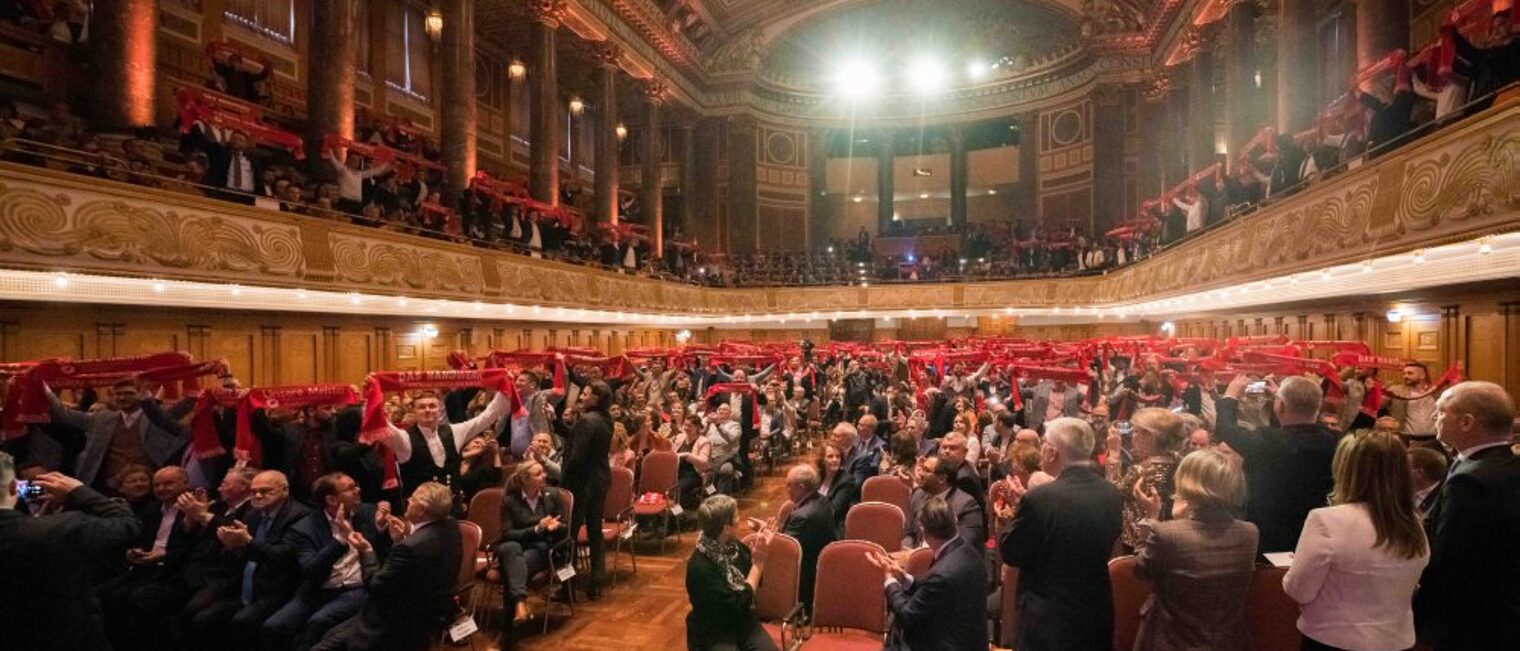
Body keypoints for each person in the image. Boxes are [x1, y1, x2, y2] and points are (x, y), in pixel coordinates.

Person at [1285, 432, 1430, 651]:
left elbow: (1299, 590)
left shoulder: (1326, 520)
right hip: (1395, 641)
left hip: (1333, 639)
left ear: (1346, 469)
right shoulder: (1413, 524)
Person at [999, 417, 1123, 651]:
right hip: (1095, 613)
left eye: (1043, 443)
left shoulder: (1039, 498)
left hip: (1048, 620)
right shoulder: (1112, 494)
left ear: (1052, 452)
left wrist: (1017, 510)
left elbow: (1012, 552)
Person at [1414, 381, 1520, 651]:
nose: (1434, 418)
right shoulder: (1503, 463)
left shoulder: (1469, 480)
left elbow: (1450, 556)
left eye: (1441, 412)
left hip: (1470, 621)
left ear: (1466, 422)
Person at [0, 453, 142, 651]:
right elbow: (127, 523)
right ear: (16, 487)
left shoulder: (53, 525)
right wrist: (78, 491)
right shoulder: (65, 526)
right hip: (68, 635)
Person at [1130, 450, 1258, 651]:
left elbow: (1140, 570)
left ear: (1187, 482)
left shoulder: (1167, 533)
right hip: (1228, 642)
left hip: (1172, 641)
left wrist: (1151, 519)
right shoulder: (1250, 533)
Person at [312, 482, 463, 651]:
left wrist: (366, 550)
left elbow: (375, 586)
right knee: (328, 633)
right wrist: (400, 539)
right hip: (423, 615)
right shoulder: (451, 527)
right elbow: (417, 568)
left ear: (421, 510)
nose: (408, 502)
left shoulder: (410, 547)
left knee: (323, 646)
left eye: (411, 500)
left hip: (391, 623)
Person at [1215, 374, 1341, 553]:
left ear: (1280, 406)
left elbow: (1225, 429)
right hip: (1315, 533)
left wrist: (1230, 395)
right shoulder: (1335, 441)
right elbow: (1291, 433)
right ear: (1318, 407)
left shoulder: (1265, 440)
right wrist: (1282, 398)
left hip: (1268, 536)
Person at [187, 470, 311, 650]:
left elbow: (283, 558)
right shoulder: (253, 514)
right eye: (254, 492)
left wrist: (247, 542)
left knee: (242, 621)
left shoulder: (300, 516)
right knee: (202, 619)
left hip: (277, 588)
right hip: (245, 584)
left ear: (284, 490)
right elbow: (239, 554)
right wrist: (231, 547)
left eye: (266, 491)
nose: (258, 495)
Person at [266, 473, 389, 651]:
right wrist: (340, 540)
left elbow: (381, 552)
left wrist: (381, 529)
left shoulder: (369, 513)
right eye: (350, 488)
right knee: (274, 626)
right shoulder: (304, 528)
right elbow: (311, 570)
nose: (358, 490)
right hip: (317, 590)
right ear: (331, 499)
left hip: (355, 589)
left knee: (318, 622)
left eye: (356, 485)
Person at [870, 496, 988, 651]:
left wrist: (889, 581)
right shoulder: (970, 553)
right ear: (954, 520)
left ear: (924, 531)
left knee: (899, 631)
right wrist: (903, 578)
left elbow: (907, 614)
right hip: (968, 640)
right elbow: (935, 593)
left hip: (947, 644)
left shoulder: (942, 573)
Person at [46, 379, 190, 491]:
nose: (121, 398)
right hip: (107, 489)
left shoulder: (158, 418)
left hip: (150, 489)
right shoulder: (100, 419)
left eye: (128, 393)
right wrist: (43, 388)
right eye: (118, 394)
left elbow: (187, 404)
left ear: (140, 394)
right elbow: (63, 414)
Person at [684, 494, 778, 651]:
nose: (739, 519)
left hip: (743, 623)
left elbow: (756, 584)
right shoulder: (700, 566)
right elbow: (738, 604)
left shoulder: (735, 548)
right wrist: (758, 564)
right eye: (736, 515)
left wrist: (761, 542)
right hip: (714, 630)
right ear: (726, 528)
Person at [379, 387, 512, 499]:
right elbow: (381, 427)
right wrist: (372, 397)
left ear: (439, 410)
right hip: (421, 515)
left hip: (453, 511)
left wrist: (505, 388)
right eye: (421, 407)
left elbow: (485, 418)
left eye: (432, 406)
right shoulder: (404, 438)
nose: (427, 410)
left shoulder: (454, 431)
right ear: (414, 411)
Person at [494, 460, 568, 629]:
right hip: (516, 546)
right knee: (510, 548)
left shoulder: (553, 495)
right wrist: (536, 528)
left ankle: (507, 630)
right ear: (525, 480)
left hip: (541, 549)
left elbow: (566, 528)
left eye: (543, 472)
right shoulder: (509, 501)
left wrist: (556, 527)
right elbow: (507, 534)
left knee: (509, 568)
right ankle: (520, 605)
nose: (545, 476)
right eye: (539, 474)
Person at [1105, 407, 1186, 550]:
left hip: (1138, 541)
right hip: (1172, 537)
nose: (1132, 436)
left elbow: (1111, 495)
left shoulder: (1142, 471)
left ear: (1149, 436)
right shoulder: (1180, 462)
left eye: (1136, 431)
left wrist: (1114, 454)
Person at [562, 380, 613, 600]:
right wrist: (556, 422)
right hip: (599, 480)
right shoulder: (606, 420)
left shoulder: (586, 421)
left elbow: (577, 457)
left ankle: (568, 586)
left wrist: (564, 480)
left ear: (597, 398)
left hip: (582, 484)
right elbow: (578, 436)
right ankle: (596, 580)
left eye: (586, 393)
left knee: (570, 535)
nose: (582, 396)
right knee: (595, 532)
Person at [779, 463, 836, 609]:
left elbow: (784, 549)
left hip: (803, 579)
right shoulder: (822, 500)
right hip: (820, 565)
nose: (787, 489)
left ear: (801, 487)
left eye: (789, 485)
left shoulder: (802, 516)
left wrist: (766, 534)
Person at [902, 455, 985, 550]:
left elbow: (962, 546)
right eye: (921, 469)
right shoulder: (918, 495)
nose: (920, 474)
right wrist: (908, 552)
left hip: (949, 561)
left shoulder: (966, 505)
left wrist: (922, 557)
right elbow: (909, 534)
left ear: (941, 479)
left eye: (926, 470)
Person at [816, 440, 859, 535]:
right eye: (830, 456)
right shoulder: (817, 476)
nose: (835, 459)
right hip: (815, 521)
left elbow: (833, 511)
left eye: (838, 456)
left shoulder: (846, 480)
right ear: (822, 460)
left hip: (833, 527)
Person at [1406, 445, 1447, 521]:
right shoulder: (1400, 492)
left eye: (1402, 467)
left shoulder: (1443, 501)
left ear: (1419, 473)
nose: (1397, 471)